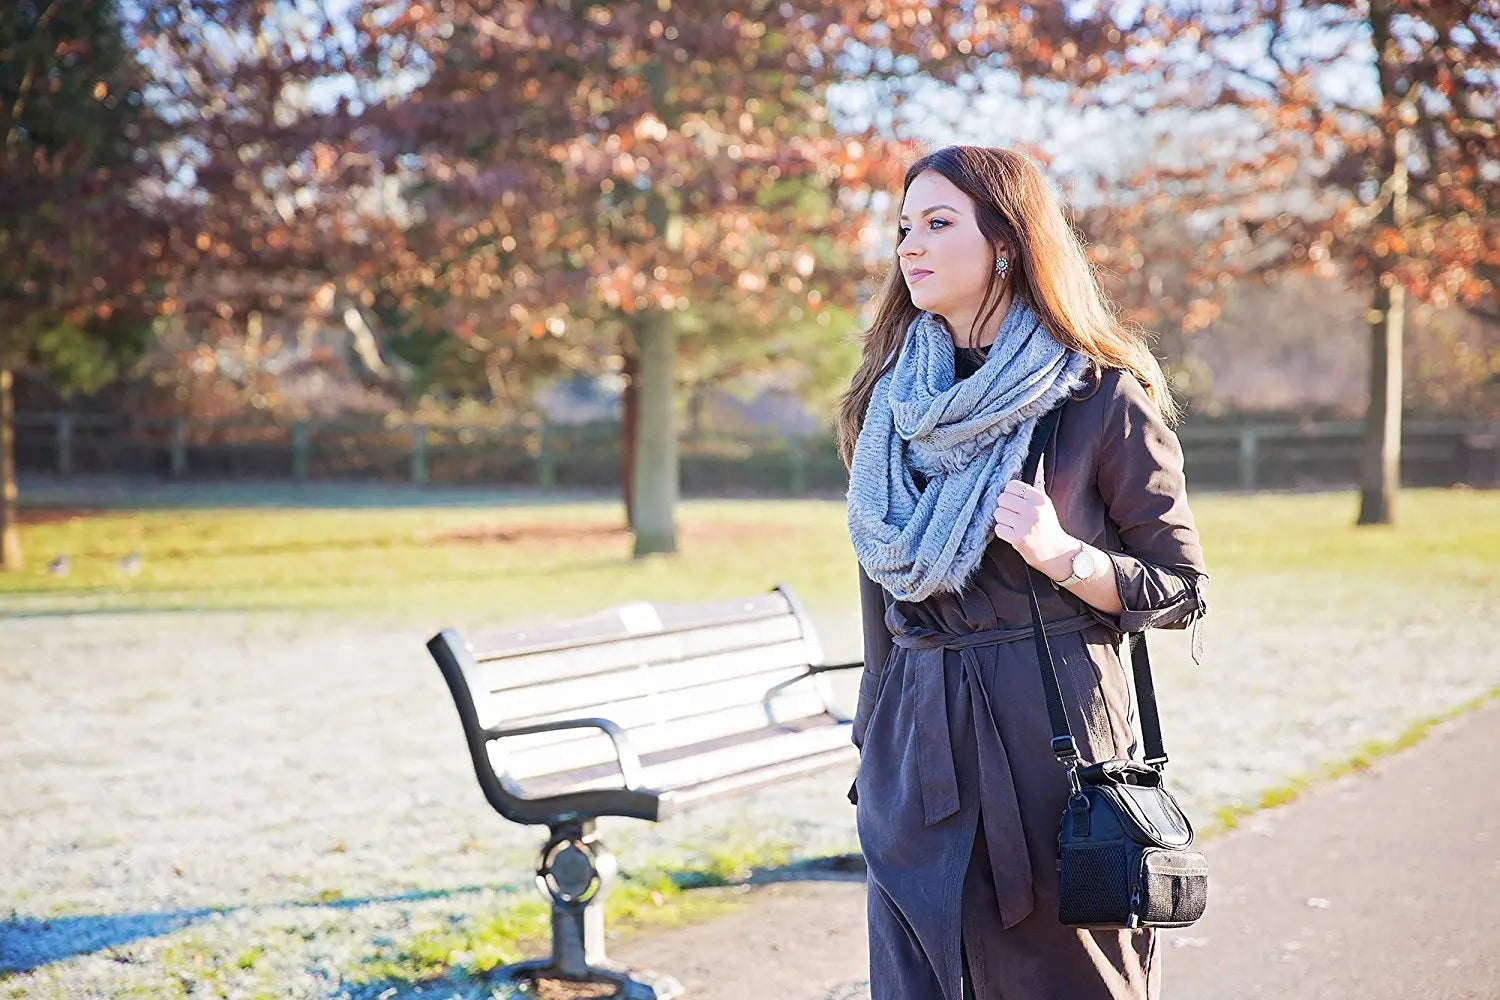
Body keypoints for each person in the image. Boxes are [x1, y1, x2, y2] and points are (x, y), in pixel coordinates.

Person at [837, 145, 1209, 1000]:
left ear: (1007, 241)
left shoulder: (1099, 395)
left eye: (937, 224)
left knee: (1068, 983)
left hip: (1054, 752)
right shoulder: (888, 405)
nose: (910, 248)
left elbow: (1180, 587)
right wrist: (872, 755)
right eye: (903, 228)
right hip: (914, 754)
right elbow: (880, 591)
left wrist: (1063, 556)